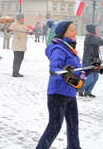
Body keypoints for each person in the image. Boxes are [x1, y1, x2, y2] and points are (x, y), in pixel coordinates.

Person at [36, 19, 98, 149]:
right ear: (63, 33)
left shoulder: (69, 50)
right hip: (57, 93)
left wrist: (91, 69)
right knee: (55, 126)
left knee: (73, 124)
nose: (75, 32)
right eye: (72, 30)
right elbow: (54, 68)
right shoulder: (58, 49)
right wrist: (64, 72)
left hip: (70, 93)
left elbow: (77, 73)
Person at [78, 24, 103, 97]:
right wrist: (102, 40)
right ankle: (80, 89)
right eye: (96, 29)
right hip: (89, 60)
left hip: (95, 59)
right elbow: (100, 42)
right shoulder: (90, 37)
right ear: (92, 30)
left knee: (96, 77)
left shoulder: (94, 36)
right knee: (90, 78)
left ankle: (88, 92)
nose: (97, 30)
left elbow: (100, 40)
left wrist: (101, 40)